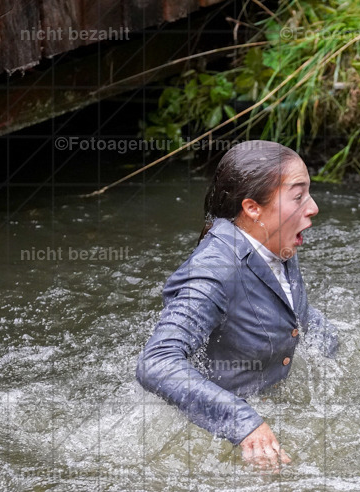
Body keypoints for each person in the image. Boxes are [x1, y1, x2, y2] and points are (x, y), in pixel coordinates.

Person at [136, 140, 338, 470]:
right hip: (209, 433)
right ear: (252, 208)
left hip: (273, 398)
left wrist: (334, 353)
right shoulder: (214, 271)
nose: (313, 207)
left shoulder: (277, 242)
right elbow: (156, 363)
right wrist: (245, 424)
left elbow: (296, 311)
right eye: (298, 197)